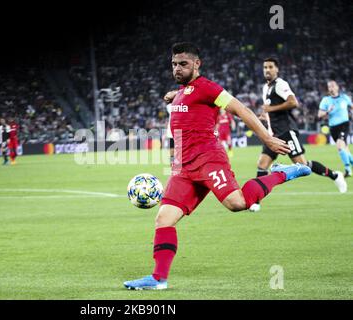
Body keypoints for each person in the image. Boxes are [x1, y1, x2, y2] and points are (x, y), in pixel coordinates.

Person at [123, 43, 311, 290]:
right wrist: (174, 94)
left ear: (197, 64)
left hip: (208, 159)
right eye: (174, 64)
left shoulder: (209, 88)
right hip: (184, 168)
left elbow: (240, 109)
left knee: (238, 203)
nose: (177, 69)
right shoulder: (183, 90)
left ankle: (280, 174)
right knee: (163, 219)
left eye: (183, 64)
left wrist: (266, 138)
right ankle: (158, 279)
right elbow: (187, 98)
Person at [251, 58, 347, 212]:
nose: (267, 70)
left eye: (270, 67)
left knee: (303, 166)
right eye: (264, 67)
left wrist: (271, 109)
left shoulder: (280, 84)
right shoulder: (265, 88)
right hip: (274, 134)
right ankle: (255, 201)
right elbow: (270, 110)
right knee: (262, 164)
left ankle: (335, 175)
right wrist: (265, 116)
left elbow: (293, 102)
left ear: (277, 69)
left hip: (287, 131)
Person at [318, 80, 353, 177]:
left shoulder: (344, 98)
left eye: (333, 86)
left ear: (337, 87)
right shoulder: (326, 100)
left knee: (340, 146)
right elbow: (320, 115)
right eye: (329, 87)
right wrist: (328, 111)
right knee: (344, 149)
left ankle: (347, 170)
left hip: (344, 124)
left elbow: (351, 107)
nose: (331, 88)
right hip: (333, 127)